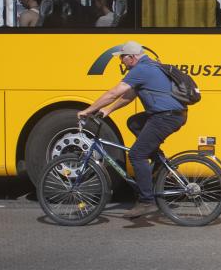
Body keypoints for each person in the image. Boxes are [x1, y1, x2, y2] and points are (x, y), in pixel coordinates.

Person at [77, 41, 188, 219]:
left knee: (137, 154)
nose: (121, 61)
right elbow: (128, 96)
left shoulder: (141, 69)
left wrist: (88, 110)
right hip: (169, 115)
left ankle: (146, 202)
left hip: (166, 117)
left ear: (132, 57)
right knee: (134, 122)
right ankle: (158, 160)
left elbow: (113, 93)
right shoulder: (150, 66)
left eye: (123, 57)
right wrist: (108, 110)